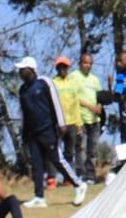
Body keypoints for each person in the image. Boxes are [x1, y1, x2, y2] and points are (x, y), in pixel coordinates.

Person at [14, 56, 84, 207]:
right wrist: (24, 133)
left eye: (22, 70)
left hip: (48, 129)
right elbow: (24, 113)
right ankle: (39, 197)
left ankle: (79, 185)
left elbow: (55, 102)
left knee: (57, 159)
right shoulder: (23, 90)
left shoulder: (44, 82)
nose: (20, 72)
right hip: (33, 133)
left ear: (31, 70)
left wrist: (61, 123)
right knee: (37, 164)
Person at [64, 51, 104, 179]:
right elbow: (73, 97)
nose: (88, 65)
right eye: (86, 63)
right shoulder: (73, 77)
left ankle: (91, 175)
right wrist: (89, 106)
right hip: (80, 119)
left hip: (95, 120)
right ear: (80, 63)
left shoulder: (95, 79)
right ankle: (79, 175)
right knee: (80, 148)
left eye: (90, 63)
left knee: (92, 150)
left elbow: (100, 97)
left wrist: (99, 106)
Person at [52, 57, 85, 189]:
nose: (63, 69)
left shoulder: (73, 83)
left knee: (69, 152)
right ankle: (51, 178)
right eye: (60, 67)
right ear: (57, 68)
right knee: (54, 151)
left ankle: (68, 179)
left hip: (72, 123)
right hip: (58, 123)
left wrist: (79, 124)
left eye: (65, 67)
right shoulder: (53, 83)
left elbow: (76, 104)